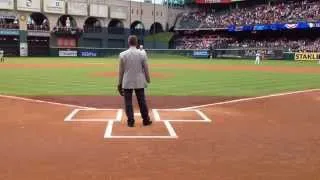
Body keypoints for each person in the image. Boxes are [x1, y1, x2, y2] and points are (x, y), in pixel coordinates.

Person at [118, 35, 152, 127]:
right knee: (142, 101)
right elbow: (146, 68)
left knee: (128, 102)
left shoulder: (122, 54)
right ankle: (146, 120)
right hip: (139, 81)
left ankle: (130, 121)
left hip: (127, 81)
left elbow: (121, 71)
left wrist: (119, 84)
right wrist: (148, 79)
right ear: (136, 43)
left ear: (128, 43)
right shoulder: (142, 53)